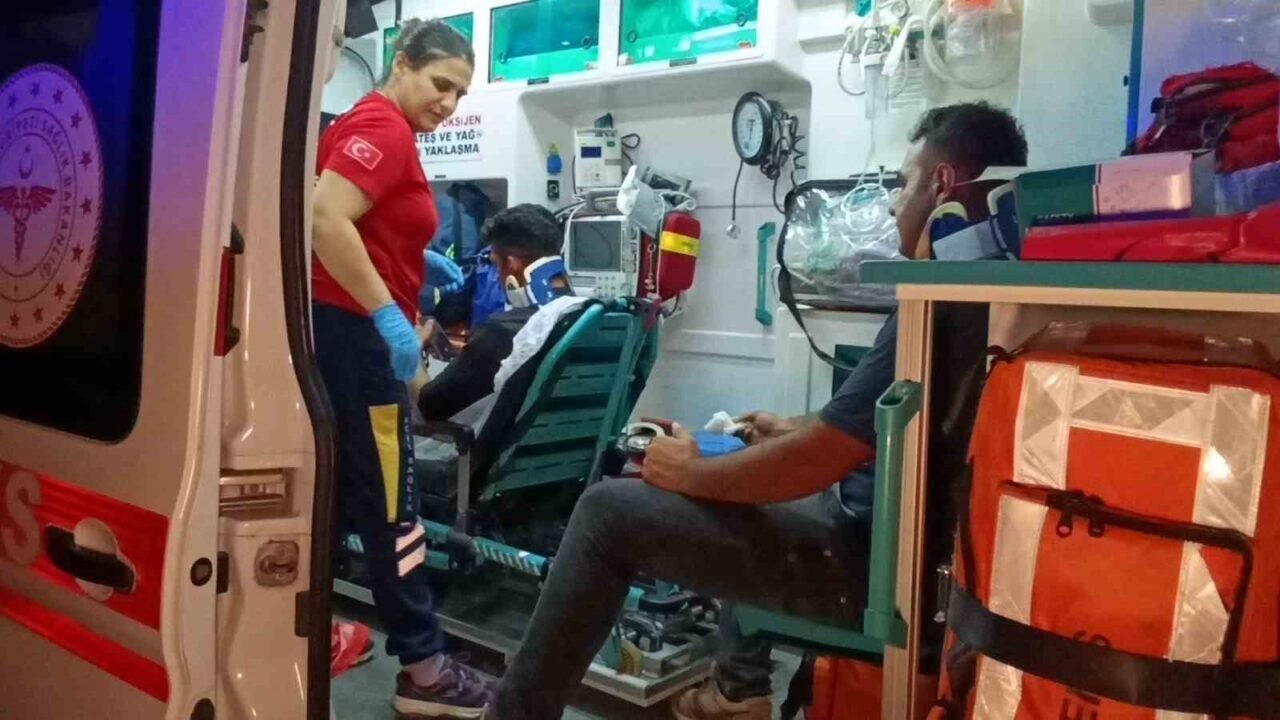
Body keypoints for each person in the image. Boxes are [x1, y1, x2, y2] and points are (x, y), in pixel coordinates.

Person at [487, 102, 1029, 720]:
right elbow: (879, 426)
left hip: (873, 572)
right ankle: (736, 691)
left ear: (942, 185)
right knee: (739, 467)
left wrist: (687, 472)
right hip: (893, 548)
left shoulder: (938, 302)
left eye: (904, 184)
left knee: (606, 512)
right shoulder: (987, 291)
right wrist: (787, 429)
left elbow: (824, 457)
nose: (891, 205)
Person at [309, 18, 490, 717]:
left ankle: (315, 628)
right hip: (355, 339)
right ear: (403, 62)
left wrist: (408, 270)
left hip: (348, 333)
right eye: (441, 83)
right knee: (393, 505)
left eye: (461, 93)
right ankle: (424, 670)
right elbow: (325, 218)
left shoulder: (378, 129)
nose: (449, 102)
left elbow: (353, 222)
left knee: (336, 497)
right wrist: (388, 314)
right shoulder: (381, 127)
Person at [411, 203, 574, 498]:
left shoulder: (503, 331)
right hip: (558, 478)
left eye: (496, 264)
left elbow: (429, 405)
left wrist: (410, 350)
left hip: (481, 483)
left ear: (510, 265)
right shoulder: (586, 320)